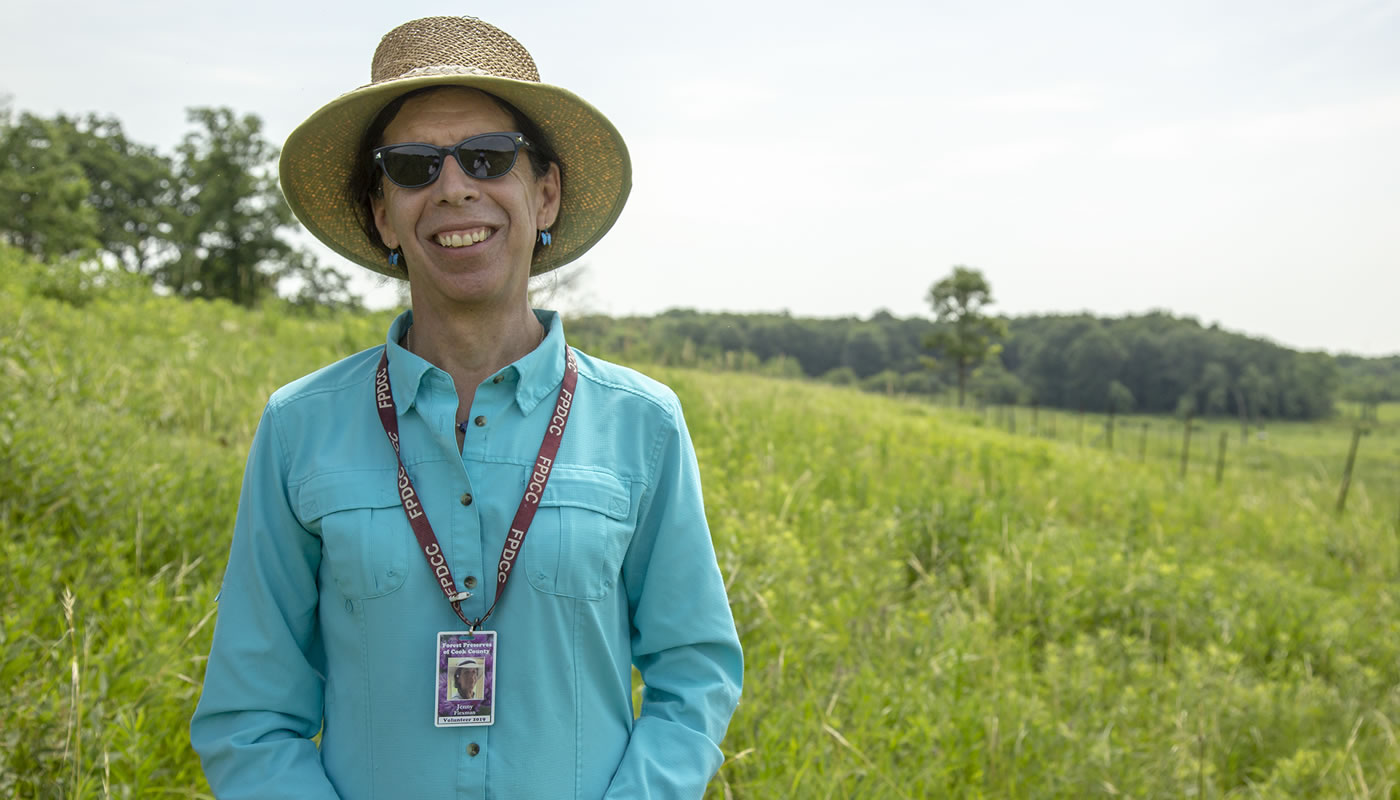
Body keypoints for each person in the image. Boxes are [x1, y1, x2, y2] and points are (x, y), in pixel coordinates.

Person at [190, 16, 742, 799]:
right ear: (383, 213)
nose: (453, 187)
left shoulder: (644, 424)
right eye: (412, 166)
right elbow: (249, 719)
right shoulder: (297, 426)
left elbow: (695, 677)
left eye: (488, 158)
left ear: (544, 194)